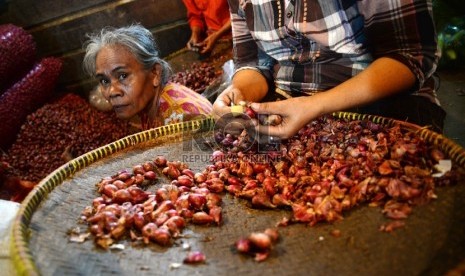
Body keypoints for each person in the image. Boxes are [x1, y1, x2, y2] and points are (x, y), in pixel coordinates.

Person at [213, 0, 446, 139]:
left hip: (380, 104)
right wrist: (239, 93)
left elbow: (411, 55)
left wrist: (315, 106)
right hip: (285, 106)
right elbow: (254, 63)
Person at [82, 24, 213, 130]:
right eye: (104, 81)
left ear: (155, 72)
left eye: (122, 76)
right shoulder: (154, 106)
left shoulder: (181, 118)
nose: (112, 92)